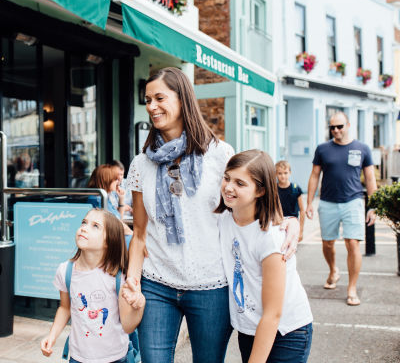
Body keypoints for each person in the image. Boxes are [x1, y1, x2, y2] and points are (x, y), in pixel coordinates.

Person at [121, 67, 300, 363]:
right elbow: (140, 232)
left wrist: (288, 222)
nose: (151, 106)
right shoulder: (141, 164)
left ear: (183, 99)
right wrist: (132, 279)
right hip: (157, 283)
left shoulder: (218, 153)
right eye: (147, 100)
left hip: (211, 285)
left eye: (159, 98)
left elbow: (251, 198)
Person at [216, 150, 313, 363]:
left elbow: (273, 314)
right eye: (227, 178)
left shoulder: (271, 237)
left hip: (287, 331)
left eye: (240, 183)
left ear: (260, 190)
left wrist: (294, 221)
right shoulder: (223, 219)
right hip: (249, 327)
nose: (229, 187)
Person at [40, 208, 145, 363]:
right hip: (78, 357)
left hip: (116, 357)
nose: (84, 228)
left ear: (109, 241)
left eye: (95, 226)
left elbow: (128, 325)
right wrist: (52, 335)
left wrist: (139, 303)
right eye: (84, 222)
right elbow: (65, 307)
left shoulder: (118, 276)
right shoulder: (65, 271)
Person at [306, 112, 377, 306]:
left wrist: (374, 206)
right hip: (328, 202)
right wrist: (309, 202)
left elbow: (370, 178)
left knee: (352, 243)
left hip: (353, 202)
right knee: (328, 243)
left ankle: (352, 288)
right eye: (332, 127)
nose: (335, 130)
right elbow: (314, 175)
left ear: (348, 125)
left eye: (339, 126)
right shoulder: (322, 149)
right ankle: (333, 270)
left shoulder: (362, 148)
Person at [87, 164, 133, 238]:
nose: (118, 182)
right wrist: (133, 235)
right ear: (107, 181)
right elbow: (115, 226)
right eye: (115, 179)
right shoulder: (98, 200)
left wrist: (121, 199)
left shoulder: (104, 198)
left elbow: (118, 220)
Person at [275, 160, 305, 241]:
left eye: (285, 173)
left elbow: (302, 210)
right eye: (280, 173)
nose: (283, 176)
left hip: (292, 223)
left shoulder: (295, 188)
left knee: (291, 249)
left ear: (290, 173)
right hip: (278, 223)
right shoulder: (273, 189)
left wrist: (301, 231)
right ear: (275, 174)